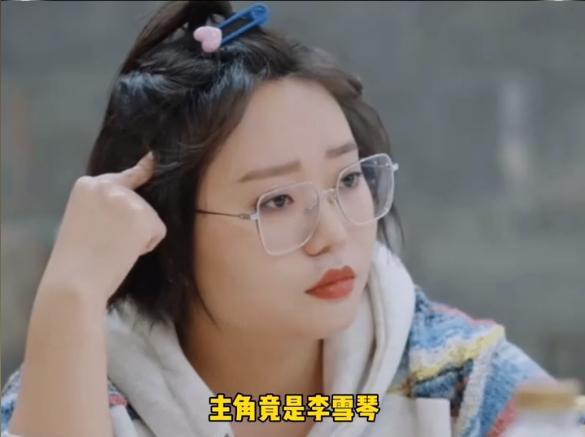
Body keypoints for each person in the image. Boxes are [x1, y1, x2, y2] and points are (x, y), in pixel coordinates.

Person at [1, 2, 551, 436]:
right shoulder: (71, 388)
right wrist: (70, 294)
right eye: (278, 201)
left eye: (349, 179)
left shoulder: (455, 378)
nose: (333, 234)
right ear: (160, 228)